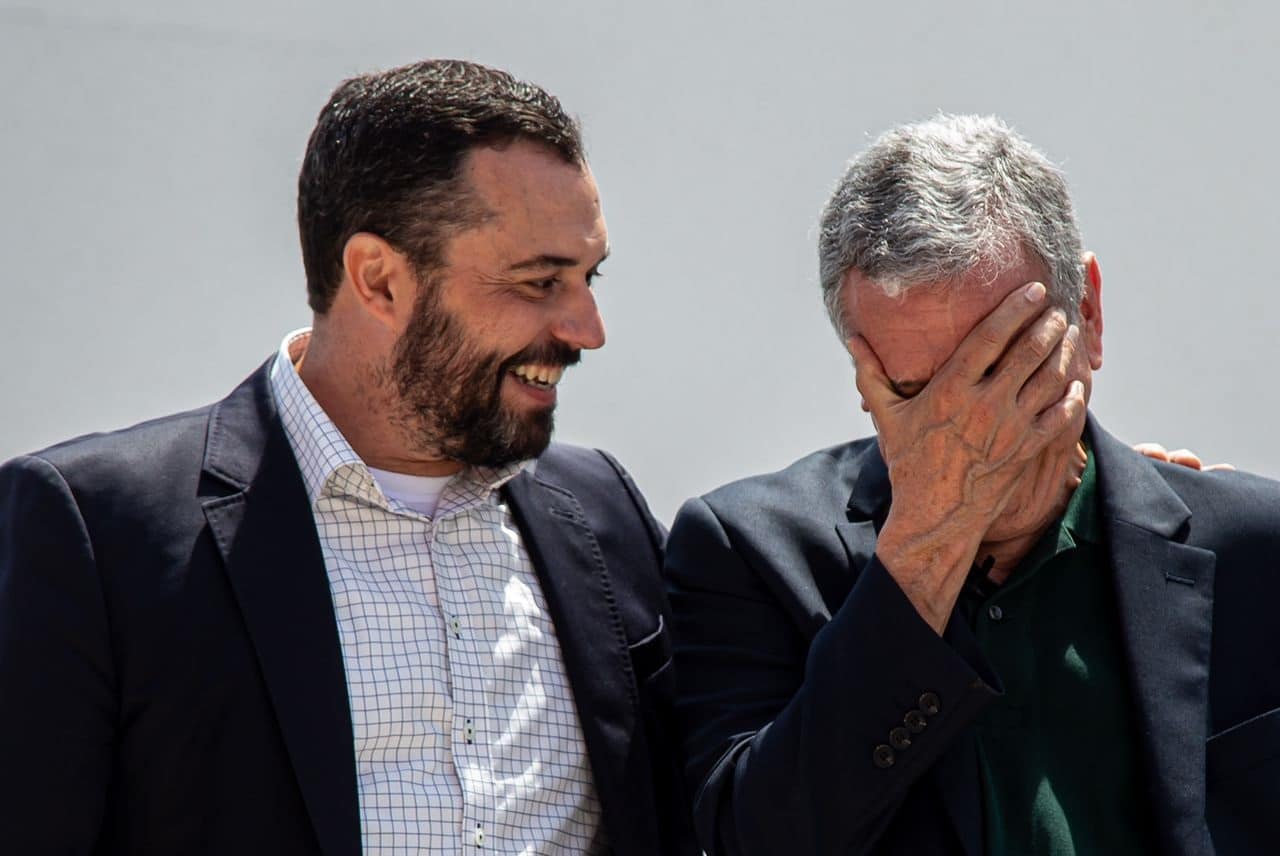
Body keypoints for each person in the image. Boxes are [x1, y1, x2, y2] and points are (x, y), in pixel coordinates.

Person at [0, 60, 694, 855]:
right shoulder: (96, 526)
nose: (586, 328)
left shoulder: (603, 513)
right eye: (540, 282)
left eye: (587, 277)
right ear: (379, 279)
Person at [665, 114, 1280, 855]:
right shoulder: (749, 553)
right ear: (864, 378)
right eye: (922, 391)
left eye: (1001, 369)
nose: (975, 428)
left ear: (1087, 311)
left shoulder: (1256, 548)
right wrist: (928, 543)